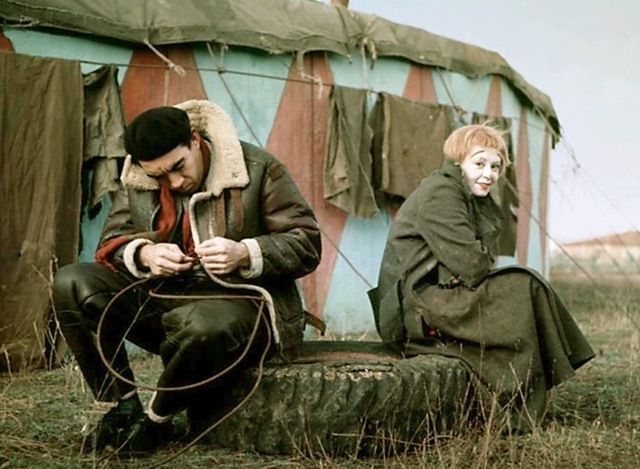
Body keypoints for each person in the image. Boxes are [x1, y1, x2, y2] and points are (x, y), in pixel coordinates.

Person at [52, 100, 321, 453]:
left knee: (202, 324)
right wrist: (145, 254)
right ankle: (122, 406)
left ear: (194, 139)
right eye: (159, 177)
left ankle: (156, 421)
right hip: (167, 300)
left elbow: (307, 243)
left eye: (179, 167)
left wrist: (244, 252)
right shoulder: (139, 177)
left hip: (243, 308)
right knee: (71, 283)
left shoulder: (257, 168)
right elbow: (112, 241)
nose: (175, 182)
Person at [370, 123, 594, 433]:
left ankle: (519, 399)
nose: (488, 174)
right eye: (479, 163)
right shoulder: (440, 193)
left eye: (495, 166)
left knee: (523, 285)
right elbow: (473, 265)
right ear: (458, 162)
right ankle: (515, 408)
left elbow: (471, 265)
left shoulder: (467, 195)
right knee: (522, 285)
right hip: (414, 305)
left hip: (435, 293)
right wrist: (470, 271)